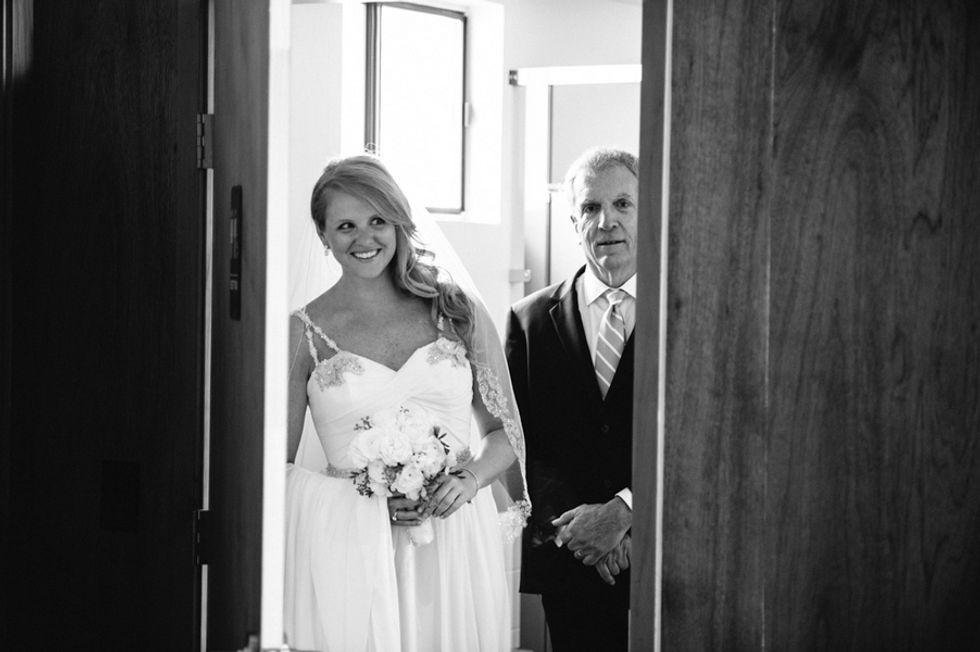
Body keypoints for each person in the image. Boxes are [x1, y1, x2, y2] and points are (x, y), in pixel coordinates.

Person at [284, 154, 530, 651]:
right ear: (323, 235)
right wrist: (365, 505)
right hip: (354, 555)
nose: (365, 238)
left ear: (398, 221)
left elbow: (504, 433)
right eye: (346, 225)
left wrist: (469, 479)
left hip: (456, 542)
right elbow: (276, 471)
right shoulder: (303, 332)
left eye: (378, 219)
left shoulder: (456, 310)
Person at [505, 146, 638, 651]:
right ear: (572, 221)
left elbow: (705, 440)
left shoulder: (687, 311)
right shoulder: (527, 320)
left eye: (622, 204)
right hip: (570, 556)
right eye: (590, 207)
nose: (607, 222)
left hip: (670, 551)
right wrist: (578, 533)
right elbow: (518, 444)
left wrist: (625, 513)